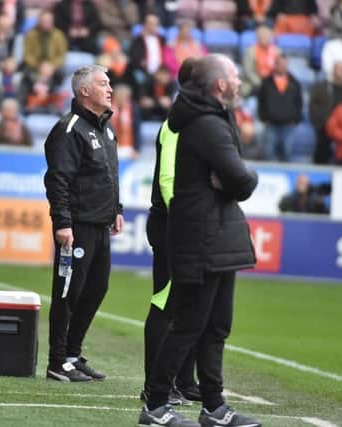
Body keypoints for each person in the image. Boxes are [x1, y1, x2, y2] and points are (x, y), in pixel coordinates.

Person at [139, 54, 260, 427]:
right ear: (219, 85)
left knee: (216, 326)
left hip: (219, 235)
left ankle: (214, 406)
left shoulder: (213, 119)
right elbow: (241, 180)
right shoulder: (206, 125)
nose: (240, 82)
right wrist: (243, 177)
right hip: (202, 237)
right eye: (236, 76)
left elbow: (235, 178)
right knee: (189, 324)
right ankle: (156, 404)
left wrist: (236, 179)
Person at [43, 65, 124, 382]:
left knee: (95, 289)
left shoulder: (107, 128)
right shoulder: (68, 129)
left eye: (109, 83)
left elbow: (110, 173)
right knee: (68, 292)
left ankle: (73, 354)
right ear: (84, 91)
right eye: (103, 83)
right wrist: (63, 222)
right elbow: (58, 180)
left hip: (101, 223)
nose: (110, 89)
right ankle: (56, 361)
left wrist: (116, 209)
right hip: (76, 226)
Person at [142, 58, 199, 409]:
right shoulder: (176, 124)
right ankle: (155, 385)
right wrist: (186, 221)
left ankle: (183, 379)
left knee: (190, 303)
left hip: (183, 224)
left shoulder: (191, 121)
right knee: (166, 302)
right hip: (173, 225)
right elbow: (168, 180)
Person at [257, 54, 302, 162]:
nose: (282, 67)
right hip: (271, 125)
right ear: (275, 65)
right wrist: (264, 118)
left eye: (284, 64)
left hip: (288, 125)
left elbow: (299, 103)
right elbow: (261, 101)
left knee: (287, 153)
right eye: (280, 64)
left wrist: (295, 119)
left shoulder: (295, 82)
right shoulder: (266, 82)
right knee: (268, 154)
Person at [308, 60, 342, 165]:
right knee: (322, 153)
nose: (341, 72)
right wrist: (320, 121)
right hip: (324, 125)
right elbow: (313, 105)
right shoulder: (321, 87)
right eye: (338, 69)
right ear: (333, 70)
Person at [241, 24, 279, 96]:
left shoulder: (277, 51)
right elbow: (248, 72)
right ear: (257, 37)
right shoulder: (250, 51)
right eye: (262, 36)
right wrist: (262, 83)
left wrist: (272, 83)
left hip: (272, 84)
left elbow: (280, 70)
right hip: (253, 84)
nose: (264, 38)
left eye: (267, 36)